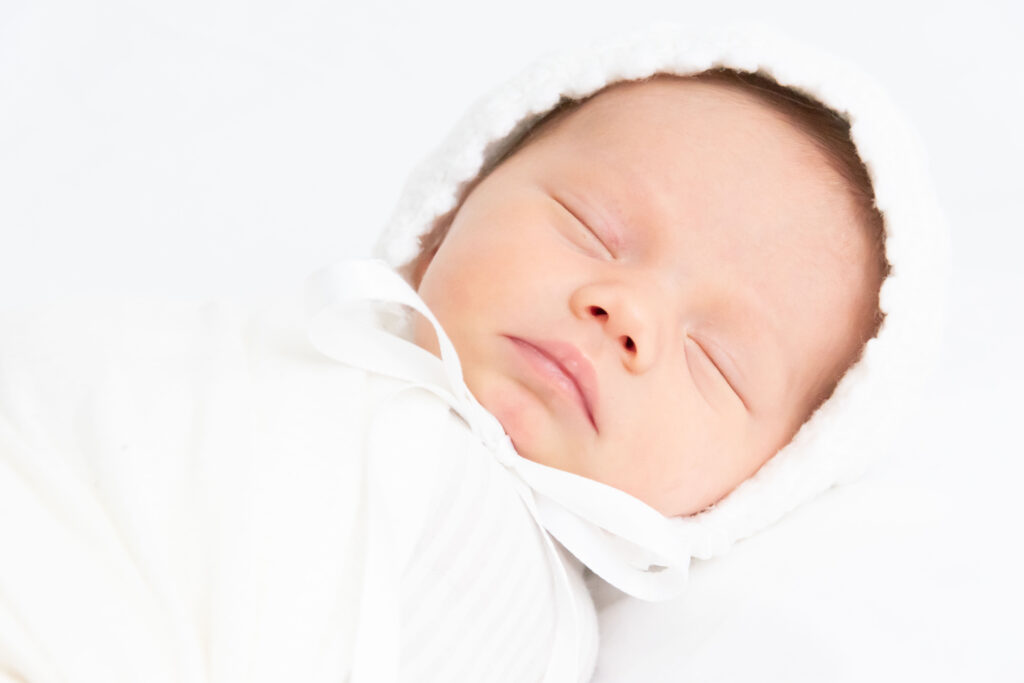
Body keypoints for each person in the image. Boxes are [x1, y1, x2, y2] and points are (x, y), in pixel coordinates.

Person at [0, 24, 946, 683]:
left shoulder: (534, 621)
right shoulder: (265, 344)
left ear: (756, 488)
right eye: (591, 227)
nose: (625, 313)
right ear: (450, 209)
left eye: (714, 359)